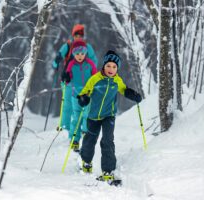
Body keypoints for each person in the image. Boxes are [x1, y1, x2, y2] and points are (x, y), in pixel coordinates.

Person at [77, 50, 142, 181]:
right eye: (108, 66)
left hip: (109, 115)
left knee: (108, 140)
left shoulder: (117, 80)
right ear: (104, 66)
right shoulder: (95, 79)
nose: (111, 69)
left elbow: (124, 89)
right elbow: (84, 92)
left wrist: (132, 94)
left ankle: (108, 171)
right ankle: (86, 161)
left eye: (114, 67)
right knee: (90, 140)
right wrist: (83, 99)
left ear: (117, 68)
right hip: (93, 115)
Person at [52, 24, 97, 132]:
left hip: (83, 82)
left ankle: (82, 127)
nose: (78, 37)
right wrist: (57, 60)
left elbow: (94, 62)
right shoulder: (67, 46)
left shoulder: (87, 47)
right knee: (67, 103)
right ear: (73, 35)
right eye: (76, 34)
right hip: (67, 79)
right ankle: (65, 126)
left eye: (81, 35)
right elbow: (55, 63)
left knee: (84, 105)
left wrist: (91, 75)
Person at [61, 39, 97, 152]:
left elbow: (95, 77)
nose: (80, 56)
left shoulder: (90, 63)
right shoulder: (71, 64)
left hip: (87, 95)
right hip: (75, 95)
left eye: (82, 53)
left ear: (85, 53)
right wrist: (66, 78)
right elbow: (66, 79)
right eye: (77, 54)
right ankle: (74, 139)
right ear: (73, 54)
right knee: (76, 117)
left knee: (87, 115)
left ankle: (86, 134)